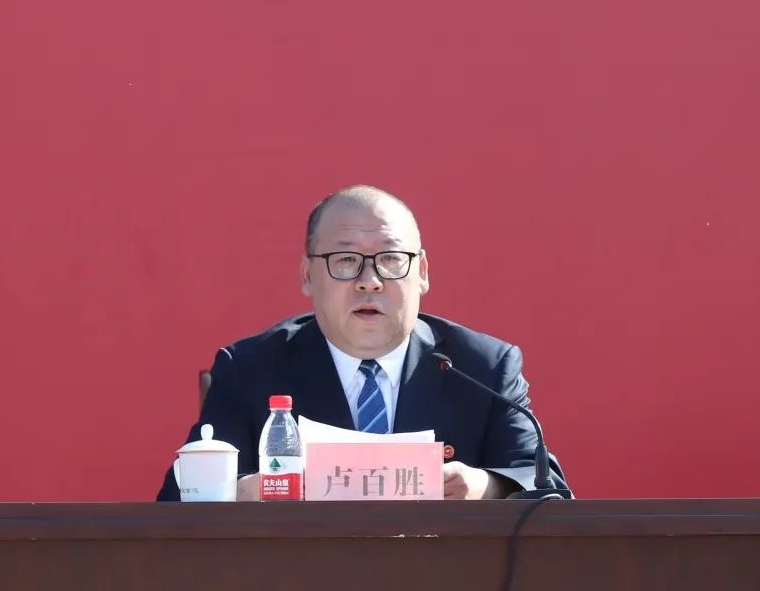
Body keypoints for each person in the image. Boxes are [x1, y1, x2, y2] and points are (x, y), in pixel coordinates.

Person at [156, 185, 568, 501]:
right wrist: (247, 490)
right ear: (307, 275)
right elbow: (179, 502)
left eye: (390, 259)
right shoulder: (250, 369)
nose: (369, 281)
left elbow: (546, 491)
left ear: (422, 272)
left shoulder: (483, 367)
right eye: (346, 260)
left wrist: (485, 486)